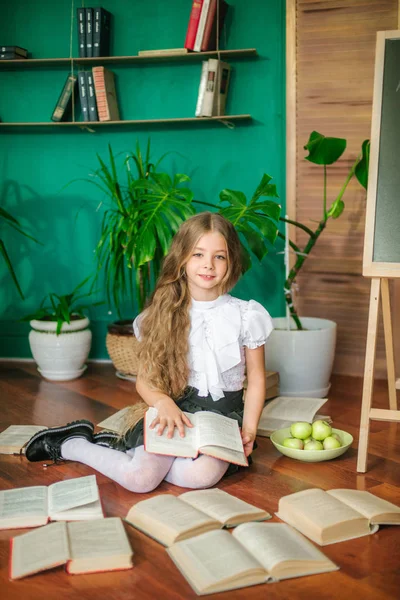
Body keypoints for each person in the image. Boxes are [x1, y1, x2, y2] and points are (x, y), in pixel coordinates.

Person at [25, 212, 273, 492]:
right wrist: (163, 403)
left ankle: (126, 452)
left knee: (200, 476)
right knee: (140, 480)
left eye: (219, 256)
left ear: (232, 261)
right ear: (182, 259)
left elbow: (256, 379)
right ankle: (72, 444)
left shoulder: (246, 315)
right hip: (174, 409)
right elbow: (145, 381)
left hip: (224, 417)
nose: (208, 265)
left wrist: (250, 429)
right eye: (198, 255)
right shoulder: (160, 315)